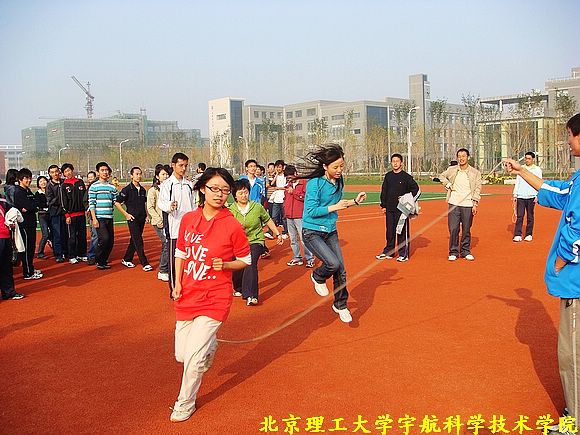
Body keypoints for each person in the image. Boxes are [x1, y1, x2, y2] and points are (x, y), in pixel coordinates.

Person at [504, 113, 580, 434]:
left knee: (572, 354)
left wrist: (562, 260)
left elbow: (577, 228)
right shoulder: (578, 178)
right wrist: (522, 171)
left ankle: (575, 420)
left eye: (570, 135)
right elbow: (557, 192)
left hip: (576, 282)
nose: (567, 141)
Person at [169, 167, 250, 423]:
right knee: (182, 355)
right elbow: (181, 253)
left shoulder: (232, 225)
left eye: (225, 190)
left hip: (216, 296)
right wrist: (177, 283)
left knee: (193, 359)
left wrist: (225, 264)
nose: (220, 194)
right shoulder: (188, 219)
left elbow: (245, 259)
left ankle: (185, 403)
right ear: (203, 189)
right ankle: (211, 345)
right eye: (215, 188)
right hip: (188, 294)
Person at [300, 144, 367, 323]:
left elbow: (339, 203)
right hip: (312, 231)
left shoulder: (339, 181)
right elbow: (311, 211)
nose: (339, 170)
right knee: (332, 263)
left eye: (341, 166)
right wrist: (334, 207)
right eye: (335, 167)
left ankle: (340, 304)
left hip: (330, 231)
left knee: (341, 270)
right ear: (325, 166)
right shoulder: (315, 183)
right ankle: (318, 276)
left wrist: (354, 201)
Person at [229, 179, 283, 305]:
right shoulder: (230, 210)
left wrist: (277, 233)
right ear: (235, 195)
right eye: (240, 193)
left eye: (246, 192)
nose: (244, 195)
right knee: (237, 268)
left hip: (255, 240)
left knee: (250, 263)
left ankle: (252, 295)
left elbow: (268, 220)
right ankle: (239, 287)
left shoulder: (257, 207)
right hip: (237, 243)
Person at [158, 153, 197, 297]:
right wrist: (170, 205)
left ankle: (187, 288)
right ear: (173, 165)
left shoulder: (188, 184)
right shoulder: (167, 184)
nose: (183, 168)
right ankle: (174, 290)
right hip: (174, 229)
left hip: (189, 229)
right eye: (181, 165)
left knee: (189, 260)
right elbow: (161, 203)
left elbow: (193, 204)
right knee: (174, 261)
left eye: (186, 165)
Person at [439, 148, 482, 261]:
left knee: (466, 229)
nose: (461, 158)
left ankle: (465, 251)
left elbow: (477, 189)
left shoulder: (475, 173)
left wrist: (475, 203)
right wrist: (448, 185)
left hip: (468, 204)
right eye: (459, 156)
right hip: (454, 203)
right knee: (453, 228)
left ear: (468, 157)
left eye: (463, 156)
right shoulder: (452, 169)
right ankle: (453, 251)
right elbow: (441, 176)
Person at [376, 153, 420, 262]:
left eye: (397, 161)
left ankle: (403, 253)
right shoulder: (388, 176)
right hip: (390, 209)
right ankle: (389, 252)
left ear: (401, 163)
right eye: (393, 161)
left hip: (402, 210)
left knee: (401, 231)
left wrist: (407, 199)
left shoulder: (406, 177)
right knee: (390, 231)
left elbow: (416, 189)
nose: (395, 163)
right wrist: (383, 205)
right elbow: (384, 191)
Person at [88, 162, 132, 270]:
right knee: (104, 239)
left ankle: (102, 261)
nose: (105, 172)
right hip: (99, 217)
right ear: (98, 172)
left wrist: (126, 207)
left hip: (109, 217)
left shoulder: (112, 187)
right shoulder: (94, 187)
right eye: (102, 170)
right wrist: (94, 219)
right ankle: (98, 259)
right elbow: (91, 203)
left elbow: (116, 201)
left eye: (106, 170)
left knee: (110, 242)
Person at [117, 167, 152, 271]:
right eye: (137, 174)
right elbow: (117, 202)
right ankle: (144, 263)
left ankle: (127, 259)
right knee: (138, 240)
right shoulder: (127, 189)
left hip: (141, 218)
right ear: (131, 176)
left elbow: (144, 203)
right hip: (132, 219)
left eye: (140, 174)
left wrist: (147, 215)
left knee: (134, 239)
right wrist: (126, 214)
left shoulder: (143, 190)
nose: (139, 176)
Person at [13, 168, 42, 280]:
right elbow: (30, 206)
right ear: (20, 179)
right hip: (24, 225)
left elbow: (35, 204)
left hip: (31, 223)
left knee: (31, 248)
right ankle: (27, 273)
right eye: (26, 178)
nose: (29, 180)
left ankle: (30, 268)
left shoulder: (27, 191)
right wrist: (31, 206)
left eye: (30, 178)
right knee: (26, 249)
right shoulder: (19, 192)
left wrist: (31, 207)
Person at [283, 164, 314, 268]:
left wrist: (294, 192)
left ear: (296, 174)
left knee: (304, 238)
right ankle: (297, 257)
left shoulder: (304, 183)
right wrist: (285, 209)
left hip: (300, 215)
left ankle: (310, 258)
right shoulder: (288, 185)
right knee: (293, 239)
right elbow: (285, 198)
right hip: (289, 216)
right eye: (287, 178)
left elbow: (307, 197)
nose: (289, 179)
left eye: (290, 177)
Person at [0, 186, 25, 300]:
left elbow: (13, 213)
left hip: (6, 236)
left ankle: (9, 291)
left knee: (6, 265)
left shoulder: (3, 201)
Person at [147, 164, 171, 281]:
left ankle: (167, 267)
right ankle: (163, 270)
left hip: (169, 220)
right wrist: (159, 220)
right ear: (157, 176)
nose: (165, 176)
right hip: (159, 222)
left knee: (166, 244)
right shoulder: (153, 190)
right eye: (163, 174)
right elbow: (150, 207)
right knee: (166, 243)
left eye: (167, 174)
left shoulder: (169, 188)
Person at [512, 151, 543, 242]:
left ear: (533, 159)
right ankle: (517, 234)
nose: (527, 160)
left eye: (529, 158)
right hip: (521, 196)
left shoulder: (537, 170)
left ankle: (528, 234)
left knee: (530, 216)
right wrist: (515, 194)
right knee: (520, 216)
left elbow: (539, 182)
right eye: (526, 158)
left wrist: (537, 195)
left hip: (531, 196)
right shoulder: (521, 169)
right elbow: (518, 181)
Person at [61, 163, 88, 264]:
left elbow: (85, 197)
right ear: (63, 174)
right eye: (65, 171)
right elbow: (63, 202)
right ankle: (72, 256)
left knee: (82, 235)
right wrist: (67, 215)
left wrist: (87, 209)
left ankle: (82, 254)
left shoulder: (79, 182)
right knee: (71, 237)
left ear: (72, 170)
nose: (68, 173)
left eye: (69, 170)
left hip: (81, 214)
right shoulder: (64, 186)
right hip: (71, 215)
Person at [46, 164, 68, 263]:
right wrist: (60, 197)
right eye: (52, 172)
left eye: (56, 171)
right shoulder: (49, 185)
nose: (55, 174)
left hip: (65, 213)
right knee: (57, 234)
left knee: (65, 233)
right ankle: (58, 254)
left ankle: (66, 251)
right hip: (55, 213)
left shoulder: (64, 182)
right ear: (49, 174)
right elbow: (50, 201)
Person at [269, 159, 288, 236]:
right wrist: (276, 174)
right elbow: (272, 184)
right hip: (276, 199)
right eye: (277, 167)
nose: (278, 169)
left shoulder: (285, 176)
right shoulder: (275, 176)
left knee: (284, 216)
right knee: (274, 216)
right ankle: (270, 232)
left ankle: (286, 231)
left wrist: (278, 188)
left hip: (284, 198)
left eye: (279, 167)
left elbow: (286, 187)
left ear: (283, 167)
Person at [34, 176, 52, 259]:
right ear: (38, 184)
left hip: (51, 214)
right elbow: (39, 204)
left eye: (44, 181)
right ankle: (40, 252)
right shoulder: (38, 194)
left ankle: (55, 248)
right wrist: (47, 205)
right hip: (42, 215)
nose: (43, 183)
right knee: (45, 234)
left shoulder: (50, 191)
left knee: (54, 233)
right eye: (40, 181)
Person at [85, 171, 98, 265]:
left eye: (91, 177)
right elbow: (85, 200)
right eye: (88, 177)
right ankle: (92, 255)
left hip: (103, 214)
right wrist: (88, 209)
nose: (90, 179)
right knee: (95, 235)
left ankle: (100, 255)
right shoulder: (90, 187)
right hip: (93, 214)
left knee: (102, 236)